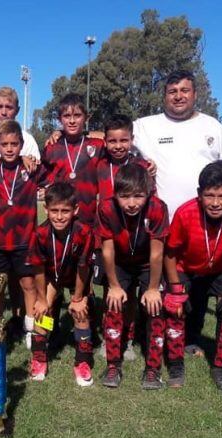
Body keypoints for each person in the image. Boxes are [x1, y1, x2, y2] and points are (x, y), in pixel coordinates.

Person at [163, 161, 222, 392]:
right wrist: (174, 286)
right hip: (184, 267)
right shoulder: (185, 213)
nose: (215, 203)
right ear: (199, 194)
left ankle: (221, 367)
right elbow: (170, 251)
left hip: (220, 269)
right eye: (209, 195)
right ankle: (175, 364)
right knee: (176, 309)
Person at [132, 70, 222, 222]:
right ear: (164, 97)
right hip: (160, 225)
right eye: (172, 92)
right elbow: (110, 136)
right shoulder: (145, 126)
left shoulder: (213, 126)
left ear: (195, 94)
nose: (178, 96)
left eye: (185, 90)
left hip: (205, 225)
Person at [0, 119, 50, 357]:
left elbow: (56, 171)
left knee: (29, 286)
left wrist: (28, 159)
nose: (9, 148)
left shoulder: (31, 169)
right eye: (4, 144)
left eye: (14, 144)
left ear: (21, 144)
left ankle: (33, 331)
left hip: (25, 241)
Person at [97, 164, 169, 390]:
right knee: (114, 304)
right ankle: (113, 364)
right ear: (115, 194)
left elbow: (157, 253)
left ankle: (153, 369)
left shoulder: (158, 208)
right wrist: (114, 285)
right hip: (119, 262)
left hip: (148, 264)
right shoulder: (106, 209)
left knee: (155, 308)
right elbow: (107, 251)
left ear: (148, 193)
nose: (131, 203)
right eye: (124, 196)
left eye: (138, 196)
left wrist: (153, 288)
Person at [94, 115, 154, 362]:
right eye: (112, 140)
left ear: (132, 139)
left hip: (136, 241)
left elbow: (150, 200)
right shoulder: (97, 163)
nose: (118, 145)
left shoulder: (143, 166)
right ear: (104, 141)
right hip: (107, 238)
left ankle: (128, 339)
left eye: (124, 140)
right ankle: (110, 339)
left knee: (129, 296)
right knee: (111, 292)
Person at [26, 182, 95, 385]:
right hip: (51, 278)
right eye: (54, 210)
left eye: (65, 211)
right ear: (45, 209)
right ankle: (39, 358)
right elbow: (38, 269)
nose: (59, 216)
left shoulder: (84, 232)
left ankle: (83, 361)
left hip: (77, 278)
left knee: (80, 313)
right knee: (42, 311)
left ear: (76, 210)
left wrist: (77, 298)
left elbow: (84, 267)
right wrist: (41, 299)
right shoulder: (39, 234)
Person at [41, 93, 105, 226]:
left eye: (77, 115)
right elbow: (39, 178)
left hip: (89, 220)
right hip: (60, 222)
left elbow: (115, 141)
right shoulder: (51, 149)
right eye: (66, 116)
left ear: (86, 118)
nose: (72, 121)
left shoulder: (97, 147)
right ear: (59, 119)